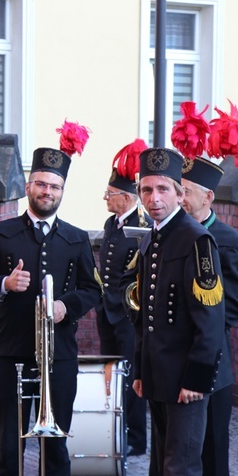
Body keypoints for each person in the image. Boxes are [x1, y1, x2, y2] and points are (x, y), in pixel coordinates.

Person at [0, 121, 102, 476]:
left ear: (62, 191)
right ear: (29, 186)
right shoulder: (2, 233)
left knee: (56, 443)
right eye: (42, 184)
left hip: (59, 355)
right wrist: (5, 282)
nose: (47, 191)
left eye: (55, 186)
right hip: (12, 351)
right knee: (8, 444)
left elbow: (92, 289)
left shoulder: (76, 238)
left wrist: (68, 306)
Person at [131, 146, 225, 476]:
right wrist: (142, 370)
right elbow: (146, 317)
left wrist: (197, 379)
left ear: (180, 193)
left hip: (187, 378)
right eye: (146, 189)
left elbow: (210, 320)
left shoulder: (197, 240)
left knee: (181, 469)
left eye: (162, 189)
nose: (154, 198)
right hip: (158, 375)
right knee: (163, 467)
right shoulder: (150, 241)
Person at [180, 157, 238, 476]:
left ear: (208, 197)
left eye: (187, 192)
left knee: (213, 449)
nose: (180, 199)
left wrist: (196, 338)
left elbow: (231, 309)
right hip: (172, 359)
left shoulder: (229, 240)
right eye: (177, 190)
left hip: (211, 361)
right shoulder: (169, 233)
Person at [96, 138, 151, 457]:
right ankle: (114, 428)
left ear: (127, 197)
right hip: (108, 312)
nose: (106, 197)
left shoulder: (141, 226)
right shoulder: (111, 223)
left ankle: (135, 437)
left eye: (110, 193)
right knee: (111, 374)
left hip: (129, 316)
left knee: (131, 378)